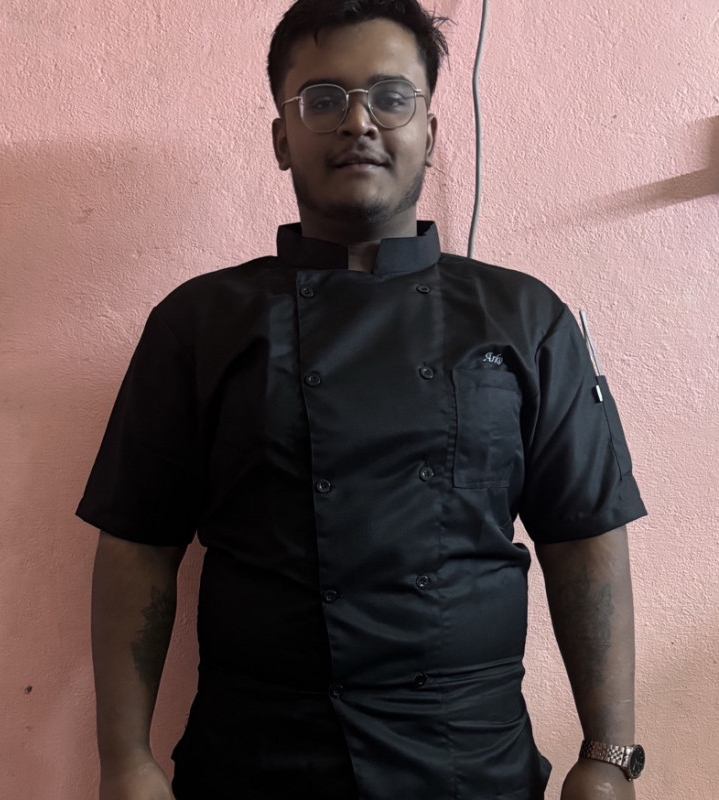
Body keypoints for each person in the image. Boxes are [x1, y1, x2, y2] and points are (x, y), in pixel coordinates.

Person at [78, 1, 647, 798]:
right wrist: (126, 760)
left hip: (467, 763)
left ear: (430, 133)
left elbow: (584, 535)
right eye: (322, 99)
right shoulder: (198, 321)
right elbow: (138, 544)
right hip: (256, 761)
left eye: (390, 96)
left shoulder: (525, 317)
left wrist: (608, 755)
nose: (358, 121)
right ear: (282, 138)